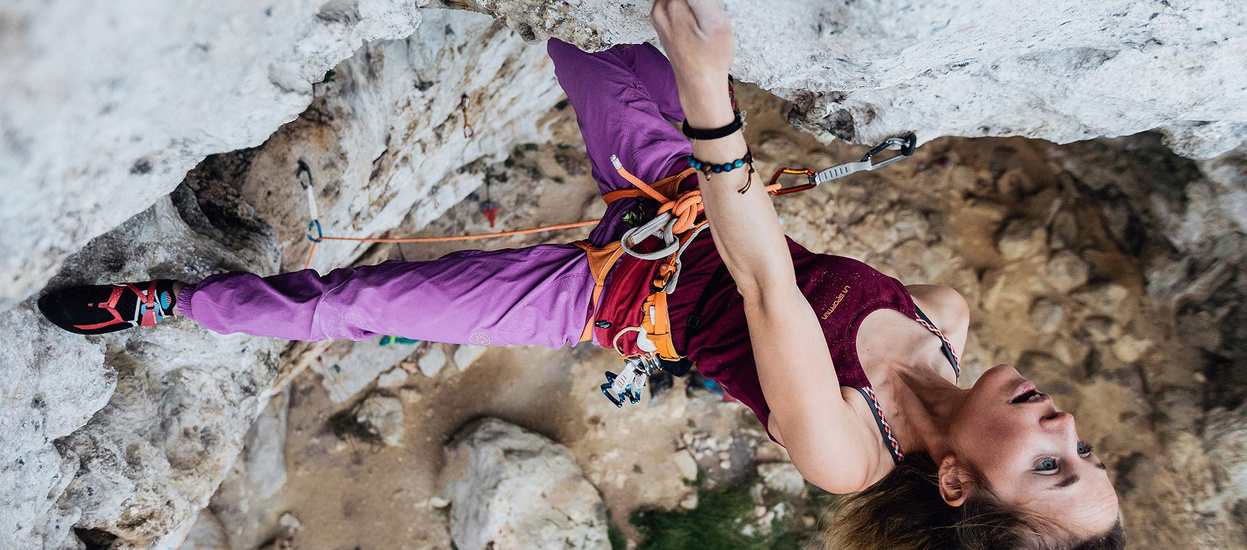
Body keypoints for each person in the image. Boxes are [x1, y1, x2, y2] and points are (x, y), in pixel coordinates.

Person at [39, 0, 1123, 547]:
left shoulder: (843, 451)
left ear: (951, 486)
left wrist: (708, 88)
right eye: (1086, 449)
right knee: (593, 30)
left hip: (612, 292)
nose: (1064, 424)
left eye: (1050, 466)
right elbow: (758, 256)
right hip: (682, 201)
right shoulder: (941, 317)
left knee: (357, 302)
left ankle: (168, 301)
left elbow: (765, 291)